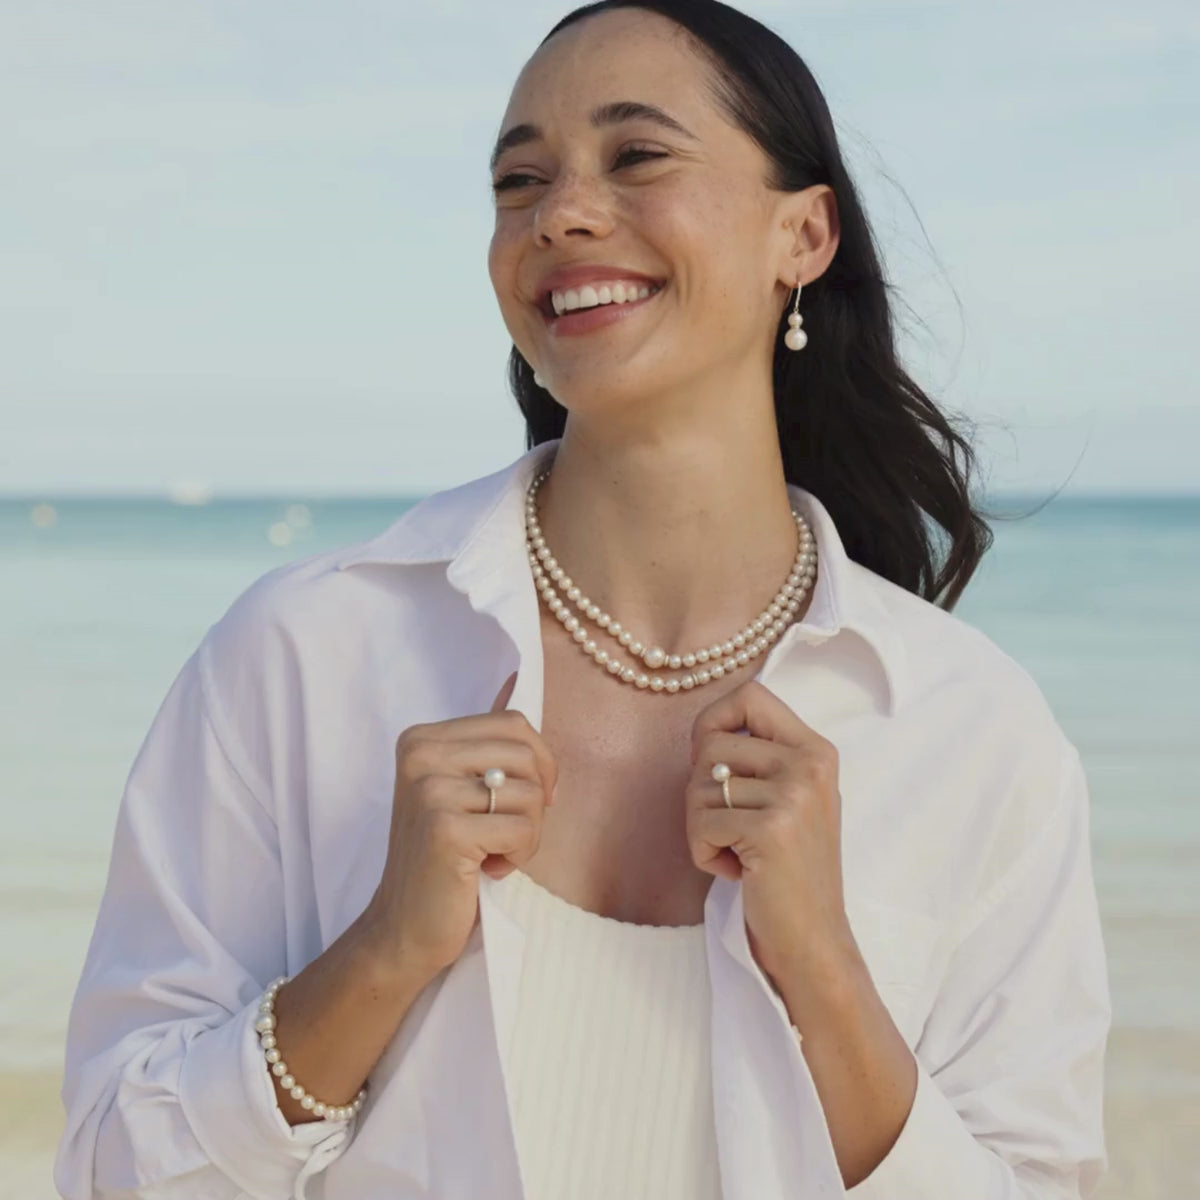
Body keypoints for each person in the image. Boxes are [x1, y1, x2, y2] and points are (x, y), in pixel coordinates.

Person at [53, 2, 1111, 1198]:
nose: (559, 213)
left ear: (802, 235)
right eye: (519, 180)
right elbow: (108, 1170)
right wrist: (384, 954)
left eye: (639, 155)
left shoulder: (970, 732)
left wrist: (823, 972)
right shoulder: (303, 653)